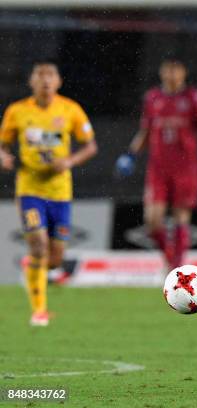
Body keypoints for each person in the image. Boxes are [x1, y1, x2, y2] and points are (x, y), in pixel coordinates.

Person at [0, 61, 98, 326]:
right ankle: (39, 311)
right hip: (30, 189)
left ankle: (31, 266)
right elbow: (3, 144)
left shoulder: (70, 109)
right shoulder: (17, 111)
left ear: (58, 82)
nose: (45, 80)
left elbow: (90, 146)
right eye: (40, 76)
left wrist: (69, 161)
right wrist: (3, 156)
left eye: (50, 75)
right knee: (38, 245)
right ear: (31, 82)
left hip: (60, 192)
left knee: (54, 259)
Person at [115, 59, 197, 269]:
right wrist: (131, 155)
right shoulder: (152, 98)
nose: (172, 75)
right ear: (162, 72)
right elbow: (145, 131)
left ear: (183, 72)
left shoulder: (193, 98)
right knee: (152, 221)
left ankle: (176, 267)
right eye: (168, 70)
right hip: (158, 169)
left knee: (181, 216)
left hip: (186, 168)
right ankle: (172, 261)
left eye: (176, 70)